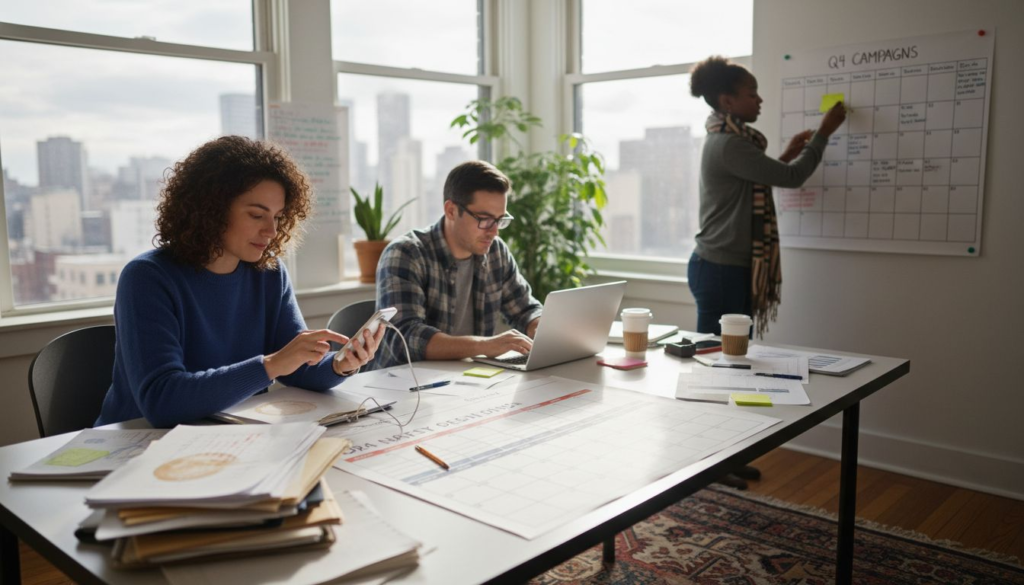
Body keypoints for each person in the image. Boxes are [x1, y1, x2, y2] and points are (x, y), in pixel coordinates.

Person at [95, 136, 383, 428]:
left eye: (278, 217)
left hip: (229, 438)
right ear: (211, 210)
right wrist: (271, 365)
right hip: (138, 444)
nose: (271, 230)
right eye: (257, 215)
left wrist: (339, 364)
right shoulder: (148, 277)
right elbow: (161, 401)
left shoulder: (269, 274)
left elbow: (296, 368)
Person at [688, 56, 846, 338]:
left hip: (720, 266)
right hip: (721, 268)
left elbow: (752, 181)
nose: (760, 100)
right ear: (727, 102)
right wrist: (824, 132)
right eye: (752, 94)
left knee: (731, 356)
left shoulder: (726, 139)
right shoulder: (730, 144)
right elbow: (791, 177)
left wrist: (785, 157)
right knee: (722, 359)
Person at [373, 160, 542, 369]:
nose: (494, 231)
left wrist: (541, 326)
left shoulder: (495, 251)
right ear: (451, 210)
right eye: (485, 219)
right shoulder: (406, 253)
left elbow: (525, 309)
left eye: (500, 220)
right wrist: (484, 345)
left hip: (468, 382)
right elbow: (405, 337)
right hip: (403, 387)